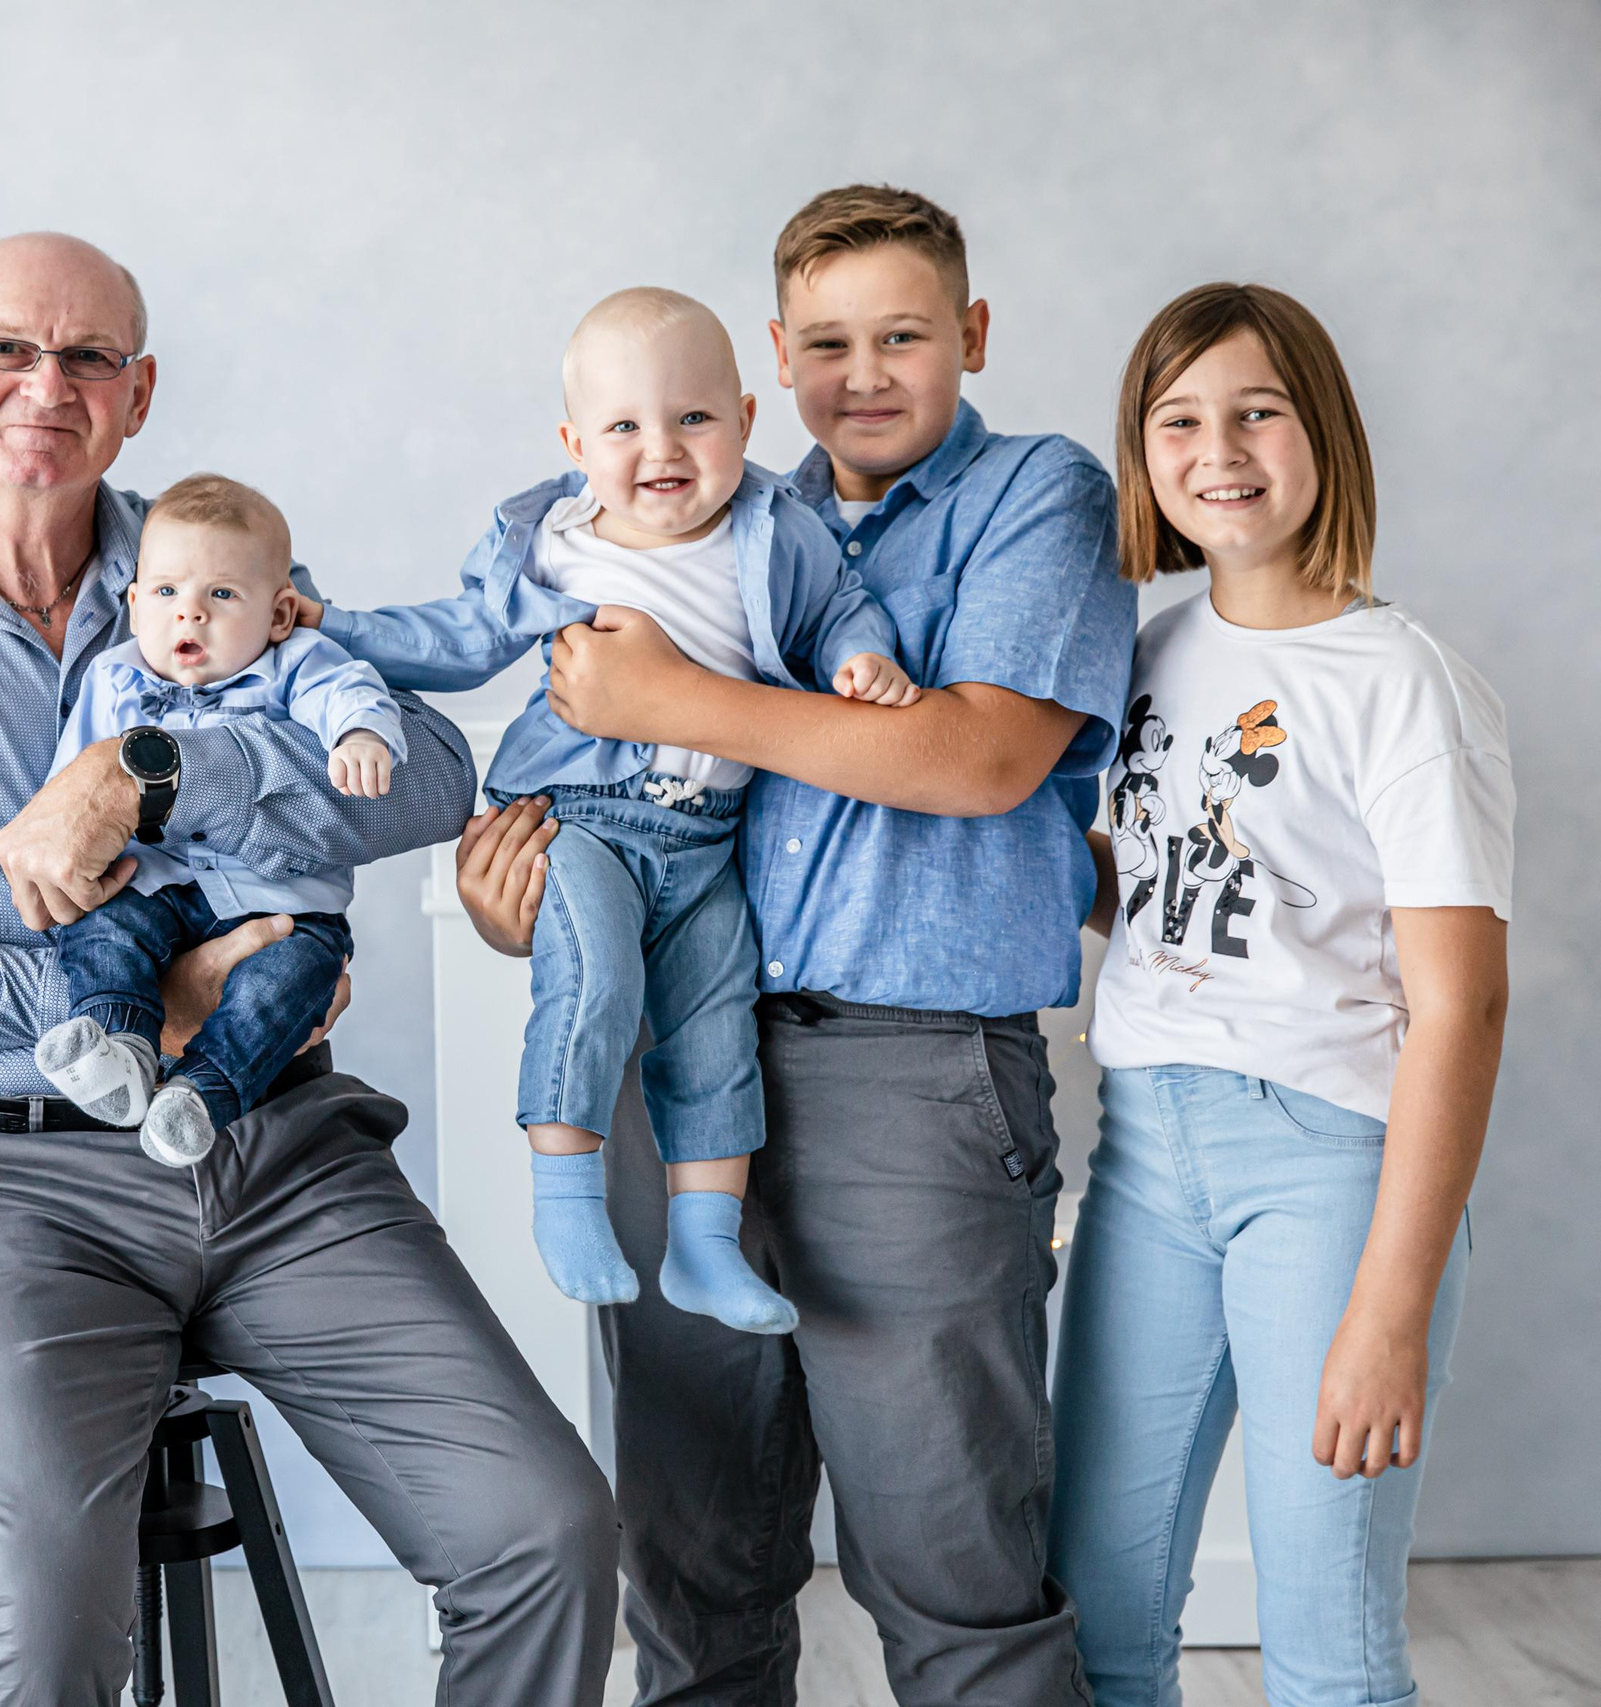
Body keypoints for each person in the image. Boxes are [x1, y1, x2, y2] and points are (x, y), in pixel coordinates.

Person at [0, 231, 620, 1705]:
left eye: (87, 358)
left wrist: (158, 769)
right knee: (40, 1630)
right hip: (4, 1182)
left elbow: (430, 770)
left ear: (136, 396)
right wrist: (124, 1002)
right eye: (5, 348)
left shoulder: (212, 555)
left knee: (548, 1527)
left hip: (281, 1151)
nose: (43, 385)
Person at [455, 186, 1134, 1703]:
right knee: (693, 1563)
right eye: (829, 341)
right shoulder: (711, 503)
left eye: (905, 334)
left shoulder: (1037, 496)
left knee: (950, 1564)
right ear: (776, 357)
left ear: (972, 332)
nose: (868, 372)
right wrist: (535, 890)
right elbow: (602, 768)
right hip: (683, 1073)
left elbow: (974, 761)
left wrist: (674, 701)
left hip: (916, 1079)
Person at [1049, 283, 1511, 1707]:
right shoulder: (1148, 653)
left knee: (1327, 1636)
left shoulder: (1402, 684)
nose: (1218, 447)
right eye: (1177, 418)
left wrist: (1387, 1308)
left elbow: (1464, 1007)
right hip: (1143, 1155)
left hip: (1327, 1168)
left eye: (1257, 409)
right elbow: (1140, 889)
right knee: (1096, 1611)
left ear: (1324, 432)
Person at [304, 287, 914, 1333]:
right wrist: (334, 628)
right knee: (593, 979)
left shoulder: (776, 534)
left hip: (710, 840)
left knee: (716, 1029)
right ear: (575, 443)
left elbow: (837, 611)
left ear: (743, 423)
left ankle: (703, 1247)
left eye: (692, 418)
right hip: (580, 815)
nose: (660, 448)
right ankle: (567, 1199)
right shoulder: (556, 541)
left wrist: (862, 657)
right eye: (623, 426)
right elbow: (457, 638)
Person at [34, 473, 404, 1164]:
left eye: (222, 595)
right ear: (137, 603)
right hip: (153, 883)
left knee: (284, 984)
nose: (190, 615)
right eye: (167, 593)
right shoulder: (115, 681)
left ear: (280, 614)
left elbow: (349, 687)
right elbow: (69, 789)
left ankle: (203, 1094)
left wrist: (358, 734)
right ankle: (120, 1042)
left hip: (281, 903)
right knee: (104, 929)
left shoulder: (295, 665)